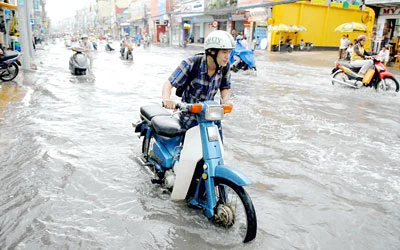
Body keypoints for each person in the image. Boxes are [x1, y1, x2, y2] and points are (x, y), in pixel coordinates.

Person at [162, 30, 235, 136]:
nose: (227, 56)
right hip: (189, 119)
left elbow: (225, 87)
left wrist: (226, 101)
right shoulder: (191, 64)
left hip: (210, 118)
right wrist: (167, 99)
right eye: (224, 52)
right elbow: (169, 84)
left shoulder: (225, 67)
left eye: (229, 52)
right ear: (212, 51)